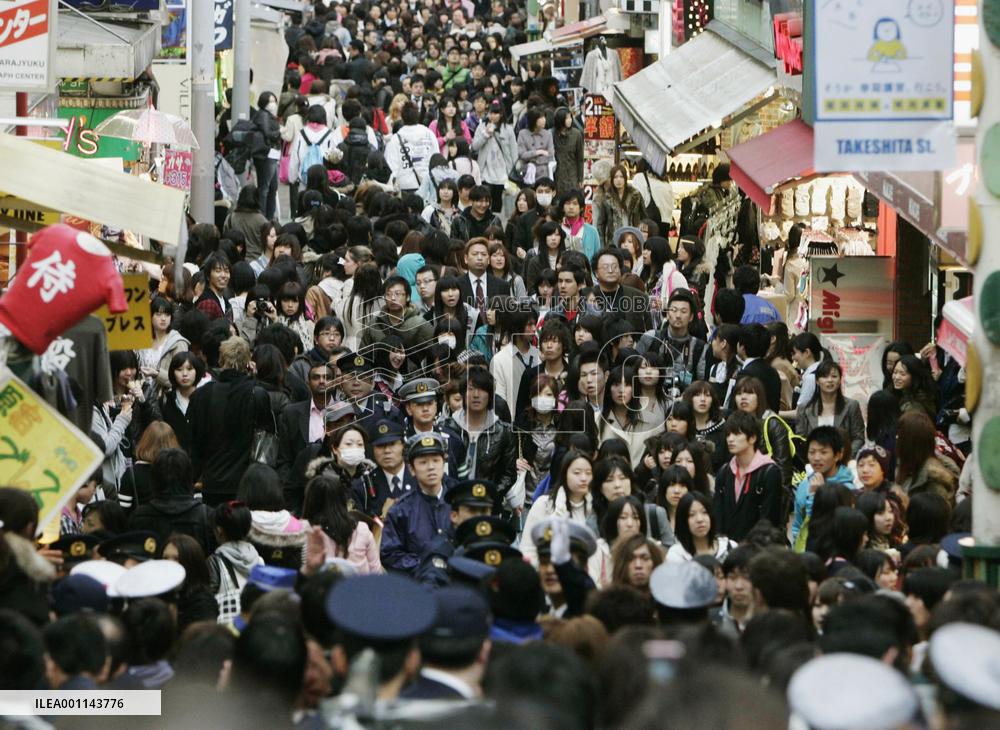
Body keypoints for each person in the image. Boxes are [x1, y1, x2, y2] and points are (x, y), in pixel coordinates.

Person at [188, 337, 273, 506]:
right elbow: (266, 442)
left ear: (221, 360)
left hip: (211, 481)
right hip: (248, 483)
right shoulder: (257, 394)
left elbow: (194, 441)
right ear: (248, 362)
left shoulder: (202, 394)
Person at [712, 411, 784, 542]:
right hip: (726, 550)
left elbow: (768, 520)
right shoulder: (724, 471)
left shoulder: (769, 472)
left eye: (736, 434)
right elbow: (717, 516)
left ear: (752, 438)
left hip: (757, 551)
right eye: (728, 434)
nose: (730, 439)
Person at [302, 474, 381, 574]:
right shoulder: (362, 529)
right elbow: (376, 572)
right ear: (343, 499)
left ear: (309, 501)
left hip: (319, 588)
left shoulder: (302, 530)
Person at [791, 426, 857, 546]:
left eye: (823, 452)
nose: (816, 458)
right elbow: (798, 525)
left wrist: (815, 495)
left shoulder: (847, 489)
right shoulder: (805, 484)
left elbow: (830, 528)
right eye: (812, 452)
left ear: (838, 455)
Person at [794, 360, 866, 458]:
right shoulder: (805, 408)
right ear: (817, 381)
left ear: (840, 379)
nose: (830, 380)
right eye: (825, 376)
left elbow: (858, 438)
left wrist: (844, 458)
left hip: (843, 464)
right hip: (813, 464)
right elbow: (800, 440)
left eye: (834, 376)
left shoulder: (851, 406)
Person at [895, 411, 957, 500]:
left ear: (910, 441)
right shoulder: (904, 465)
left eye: (900, 435)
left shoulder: (935, 479)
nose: (896, 438)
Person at [471, 101, 518, 212]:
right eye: (491, 113)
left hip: (503, 174)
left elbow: (513, 151)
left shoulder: (508, 129)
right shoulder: (482, 127)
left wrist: (513, 171)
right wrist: (486, 134)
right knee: (485, 201)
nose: (492, 116)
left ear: (501, 114)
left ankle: (496, 225)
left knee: (498, 203)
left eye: (496, 113)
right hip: (485, 173)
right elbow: (474, 146)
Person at [384, 102, 440, 193]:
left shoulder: (396, 139)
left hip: (404, 186)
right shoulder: (428, 134)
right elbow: (436, 159)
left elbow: (392, 166)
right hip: (426, 184)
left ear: (402, 117)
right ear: (418, 115)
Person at [594, 165, 645, 246]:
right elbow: (601, 224)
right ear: (612, 179)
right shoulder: (607, 198)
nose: (618, 180)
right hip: (614, 241)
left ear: (625, 178)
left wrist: (642, 237)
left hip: (633, 239)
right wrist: (602, 244)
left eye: (621, 177)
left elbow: (644, 218)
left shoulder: (636, 195)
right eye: (615, 177)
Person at [553, 107, 583, 194]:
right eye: (567, 118)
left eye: (570, 117)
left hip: (572, 174)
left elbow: (580, 157)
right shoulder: (552, 134)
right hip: (558, 174)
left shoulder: (576, 134)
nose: (569, 120)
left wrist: (581, 177)